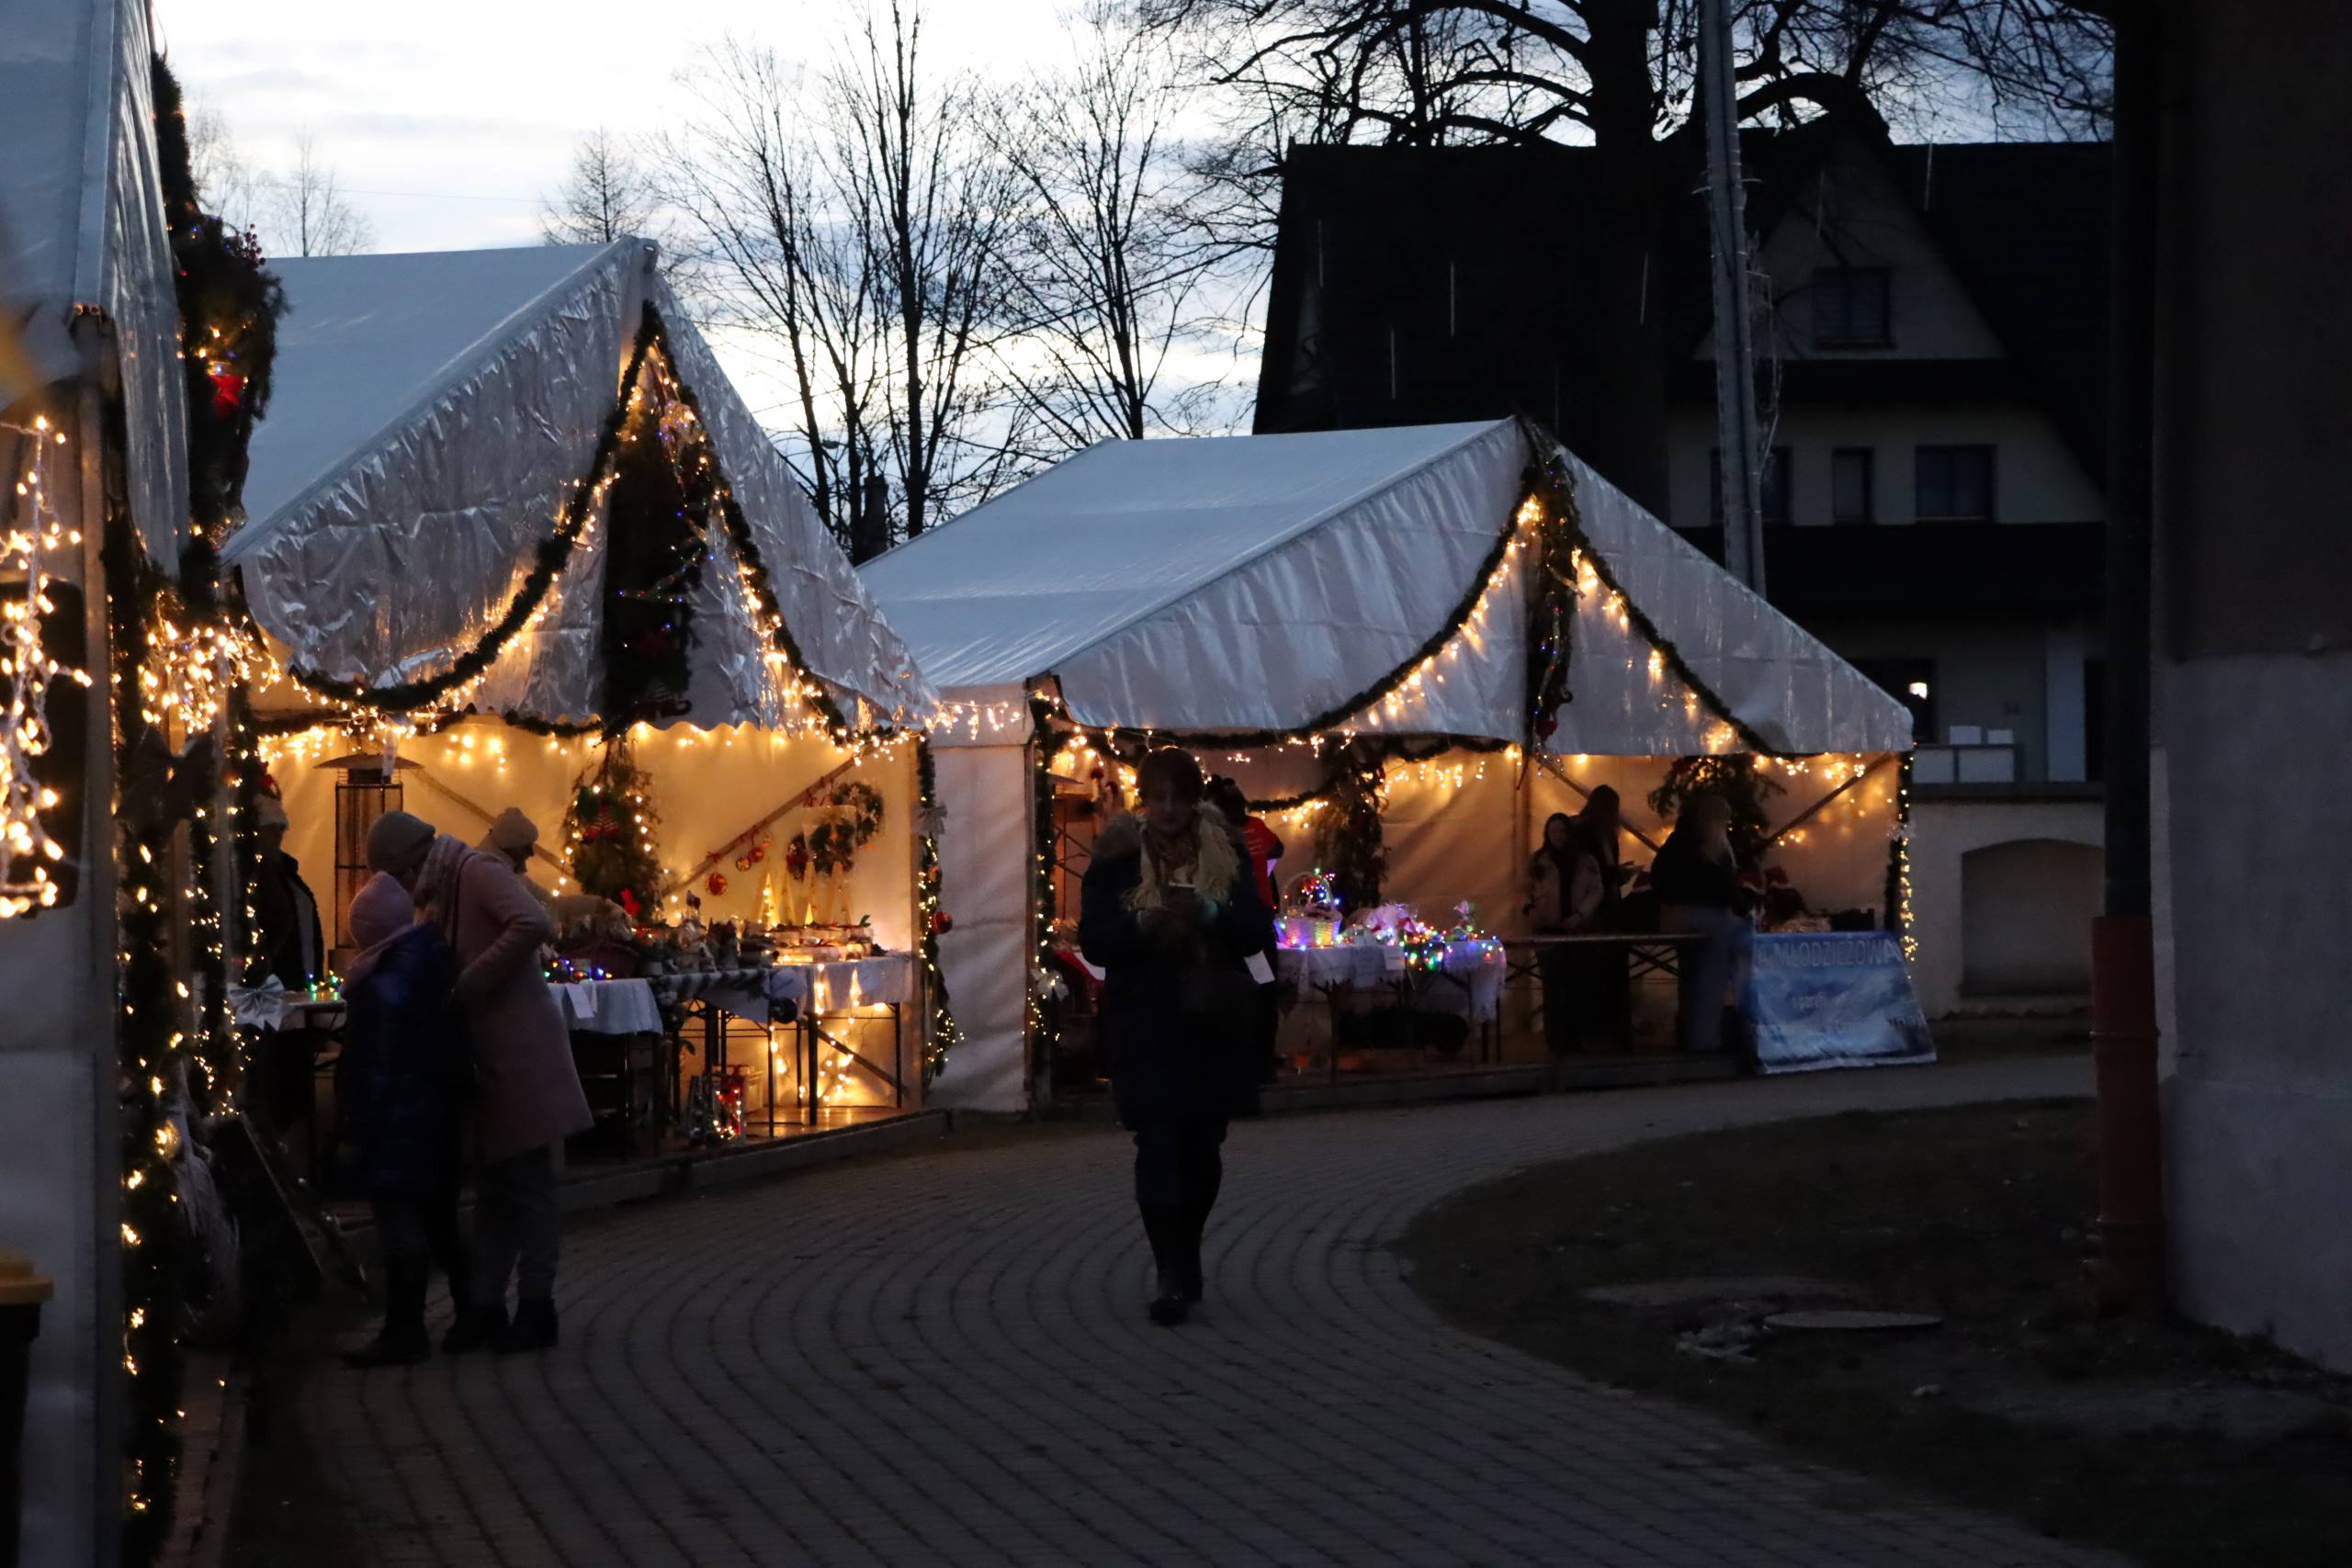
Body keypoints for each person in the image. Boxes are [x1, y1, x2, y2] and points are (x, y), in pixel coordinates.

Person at [367, 809, 592, 1353]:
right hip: (489, 1057)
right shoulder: (443, 891)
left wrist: (471, 981)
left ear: (410, 858)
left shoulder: (477, 872)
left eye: (396, 873)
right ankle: (486, 1307)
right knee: (494, 1190)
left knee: (529, 1188)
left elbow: (531, 923)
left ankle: (537, 1309)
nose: (399, 885)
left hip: (522, 1053)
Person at [1080, 750, 1275, 1326]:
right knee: (1158, 1145)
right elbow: (1096, 941)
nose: (1167, 808)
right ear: (1144, 797)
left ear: (1194, 799)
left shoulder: (1228, 849)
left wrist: (1210, 912)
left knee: (1202, 1148)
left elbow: (1257, 933)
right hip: (1145, 1021)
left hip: (1211, 1022)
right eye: (1157, 795)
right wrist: (1145, 921)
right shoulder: (1117, 856)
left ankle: (1185, 1250)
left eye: (1178, 796)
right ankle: (1168, 1269)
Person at [337, 873, 474, 1368]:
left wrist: (355, 1127)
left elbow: (374, 1065)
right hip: (435, 1112)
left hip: (400, 1119)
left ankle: (405, 1329)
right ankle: (475, 1311)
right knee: (439, 1218)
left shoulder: (384, 985)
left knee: (400, 1223)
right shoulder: (429, 958)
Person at [250, 793, 327, 1163]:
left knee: (292, 1077)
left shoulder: (285, 873)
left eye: (280, 829)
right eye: (270, 829)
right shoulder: (258, 877)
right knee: (273, 1078)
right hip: (264, 994)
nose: (276, 836)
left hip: (290, 991)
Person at [1651, 795, 1755, 1055]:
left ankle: (1687, 1034)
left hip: (1678, 917)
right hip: (1709, 917)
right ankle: (1705, 1041)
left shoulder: (1676, 843)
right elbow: (1724, 886)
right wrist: (1744, 907)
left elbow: (1657, 876)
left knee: (1689, 977)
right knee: (1710, 981)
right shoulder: (1712, 847)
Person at [1206, 777, 1285, 1083]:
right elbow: (1278, 849)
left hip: (1244, 921)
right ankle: (1258, 1063)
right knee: (1261, 991)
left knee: (1255, 992)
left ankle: (1253, 1063)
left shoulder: (1225, 833)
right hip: (1255, 921)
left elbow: (1276, 849)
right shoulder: (1253, 828)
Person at [479, 807, 557, 912]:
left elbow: (532, 889)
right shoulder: (489, 873)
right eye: (526, 847)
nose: (532, 853)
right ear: (510, 843)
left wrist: (556, 903)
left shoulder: (511, 865)